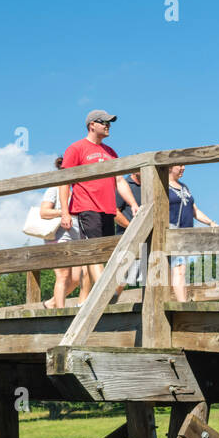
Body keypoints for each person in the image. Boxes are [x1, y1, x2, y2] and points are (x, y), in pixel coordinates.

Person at [59, 111, 139, 298]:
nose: (108, 126)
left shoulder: (111, 152)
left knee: (107, 254)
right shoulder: (76, 148)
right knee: (94, 251)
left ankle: (108, 291)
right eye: (104, 122)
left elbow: (119, 180)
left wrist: (133, 203)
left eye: (109, 123)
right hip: (86, 206)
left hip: (108, 210)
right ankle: (106, 293)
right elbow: (63, 181)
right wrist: (64, 212)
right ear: (91, 125)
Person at [167, 165, 219, 301]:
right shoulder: (163, 186)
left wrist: (210, 222)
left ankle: (183, 302)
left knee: (182, 271)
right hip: (172, 232)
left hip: (186, 235)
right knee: (178, 269)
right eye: (180, 165)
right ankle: (182, 303)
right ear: (170, 167)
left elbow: (194, 210)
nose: (183, 168)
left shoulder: (184, 187)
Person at [40, 155, 84, 308]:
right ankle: (60, 311)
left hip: (77, 237)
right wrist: (64, 212)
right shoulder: (54, 188)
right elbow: (43, 212)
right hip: (58, 236)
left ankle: (51, 303)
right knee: (63, 275)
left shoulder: (78, 188)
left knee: (78, 278)